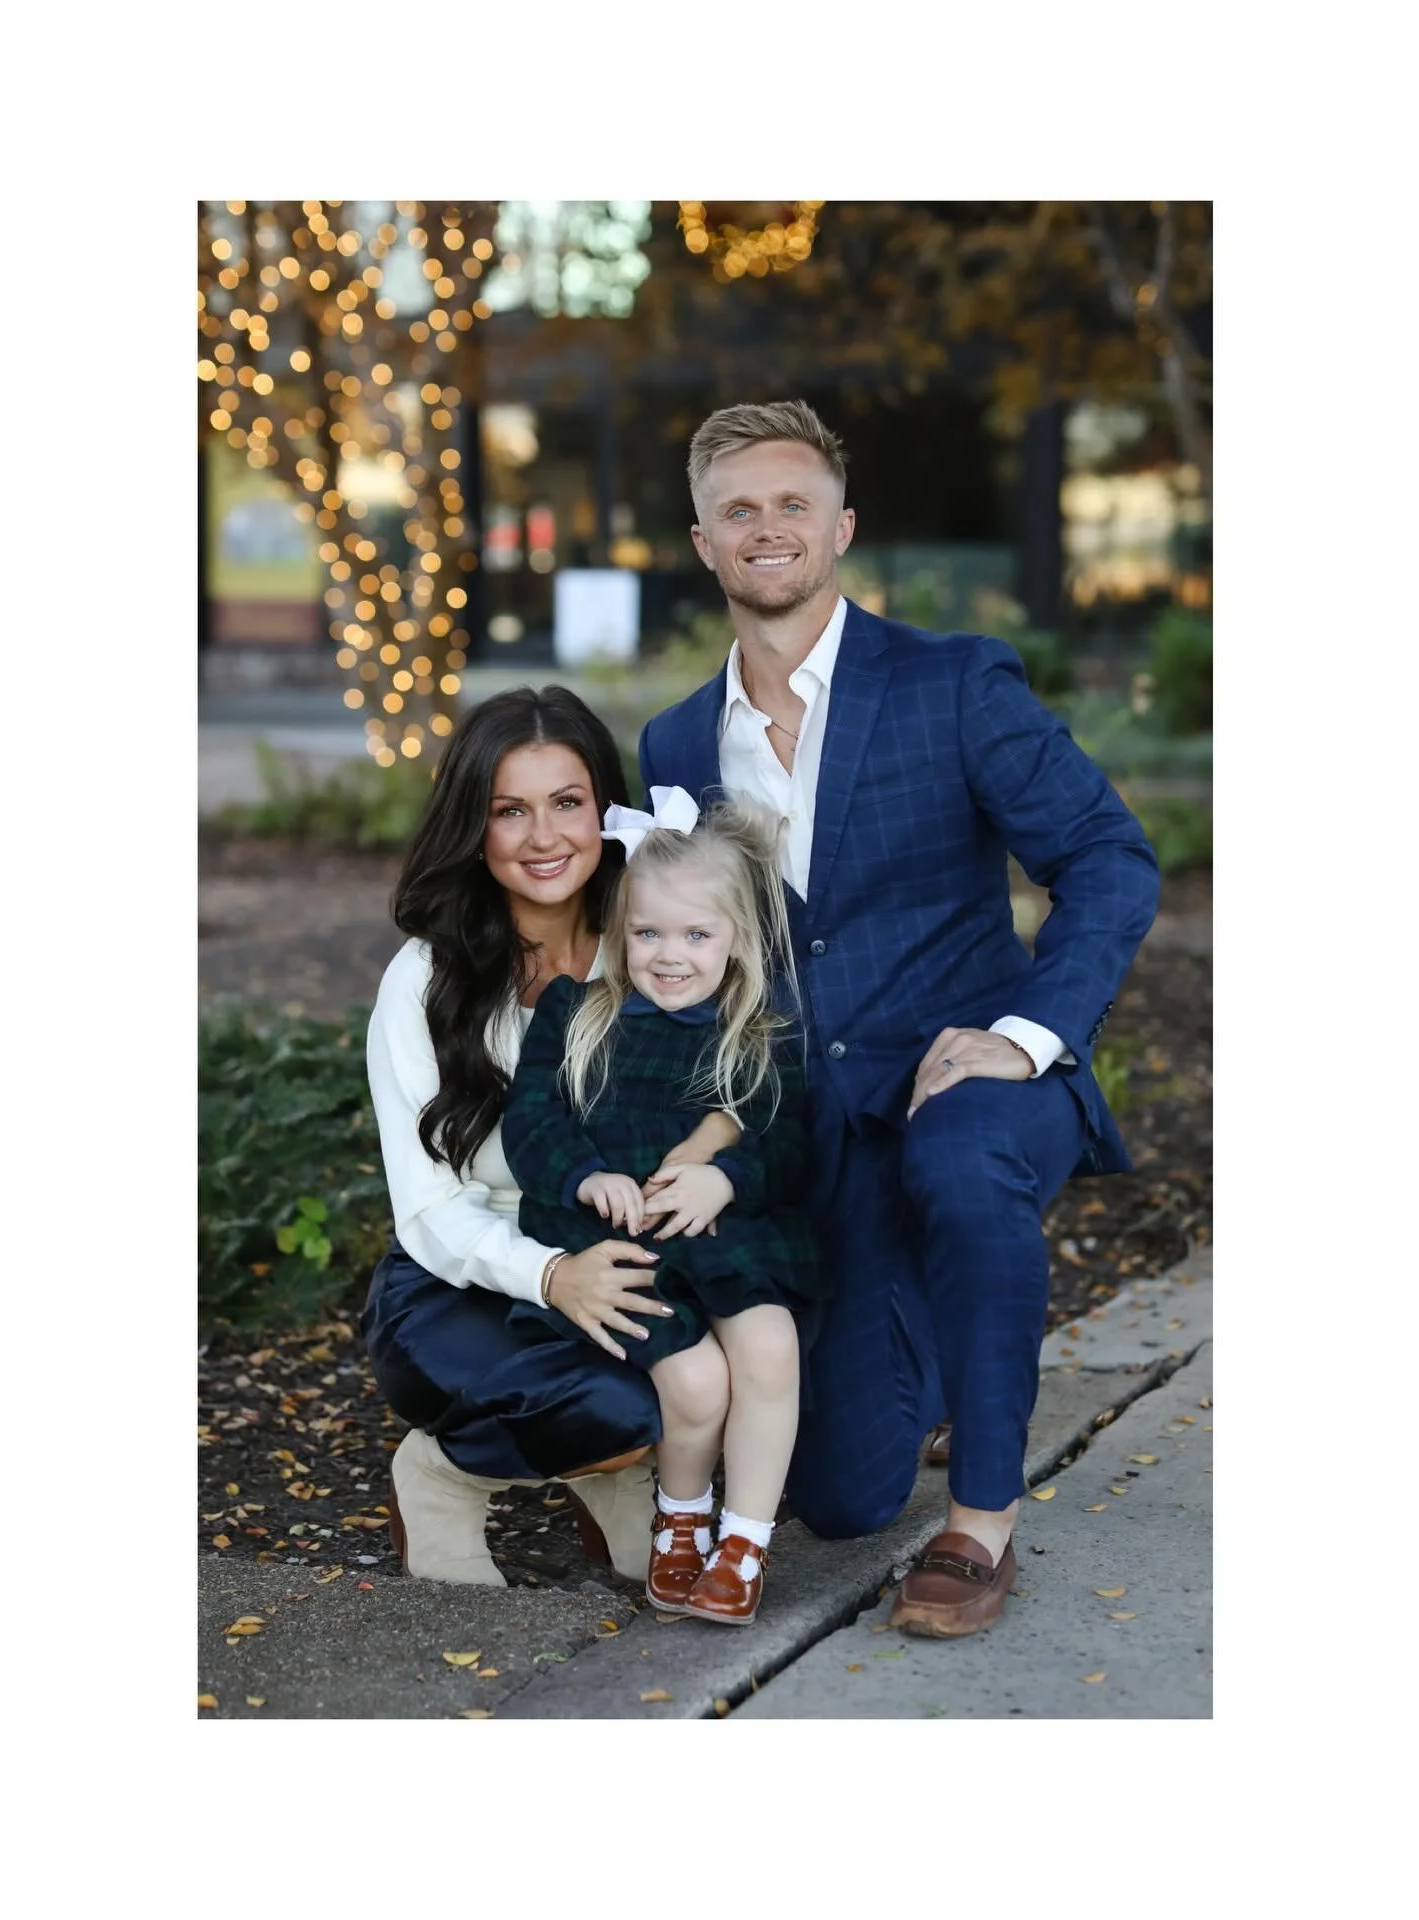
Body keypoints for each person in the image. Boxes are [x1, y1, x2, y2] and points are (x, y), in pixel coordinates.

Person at [639, 399, 1161, 1638]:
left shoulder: (950, 681)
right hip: (814, 1139)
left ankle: (982, 1524)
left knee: (965, 1150)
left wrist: (1027, 1034)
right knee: (841, 1495)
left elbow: (1107, 855)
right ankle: (932, 1347)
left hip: (967, 1090)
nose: (768, 528)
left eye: (793, 505)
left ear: (841, 529)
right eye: (738, 511)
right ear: (704, 543)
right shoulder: (670, 744)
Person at [361, 687, 742, 1587]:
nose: (544, 837)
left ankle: (612, 1478)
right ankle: (443, 1477)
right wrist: (550, 1275)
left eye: (567, 803)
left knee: (704, 1379)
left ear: (604, 812)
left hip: (618, 1247)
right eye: (510, 810)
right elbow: (428, 1210)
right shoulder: (425, 979)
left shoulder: (652, 951)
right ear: (474, 825)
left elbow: (744, 1085)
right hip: (458, 1280)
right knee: (606, 1404)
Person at [501, 790, 822, 1627]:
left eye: (696, 935)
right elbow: (530, 1122)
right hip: (620, 1242)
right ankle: (681, 1520)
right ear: (618, 932)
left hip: (721, 1234)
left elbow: (790, 1147)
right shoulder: (577, 1016)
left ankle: (745, 1542)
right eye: (648, 934)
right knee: (697, 1381)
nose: (670, 956)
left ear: (737, 942)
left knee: (771, 1349)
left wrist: (728, 1179)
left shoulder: (755, 1034)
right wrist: (581, 1176)